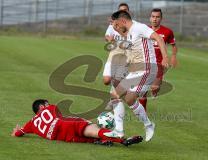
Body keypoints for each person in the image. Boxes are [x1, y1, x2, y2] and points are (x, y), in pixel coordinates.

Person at [103, 10, 169, 142]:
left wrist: (165, 57)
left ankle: (148, 125)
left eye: (116, 25)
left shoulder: (140, 28)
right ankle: (119, 131)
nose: (115, 28)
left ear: (122, 21)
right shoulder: (128, 33)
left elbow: (159, 38)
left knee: (130, 98)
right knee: (115, 95)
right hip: (135, 70)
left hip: (147, 68)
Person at [11, 99, 143, 147]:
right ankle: (123, 140)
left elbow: (18, 133)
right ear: (41, 107)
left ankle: (101, 142)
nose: (48, 103)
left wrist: (17, 131)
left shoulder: (31, 124)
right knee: (95, 131)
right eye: (46, 103)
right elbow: (59, 116)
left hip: (65, 138)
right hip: (68, 125)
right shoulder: (50, 107)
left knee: (90, 139)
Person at [138, 8, 178, 111]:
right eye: (153, 17)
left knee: (154, 87)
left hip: (159, 64)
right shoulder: (144, 29)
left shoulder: (167, 32)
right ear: (150, 18)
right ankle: (143, 113)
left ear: (161, 18)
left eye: (157, 17)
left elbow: (173, 45)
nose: (155, 19)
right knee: (143, 90)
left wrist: (173, 56)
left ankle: (155, 90)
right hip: (145, 62)